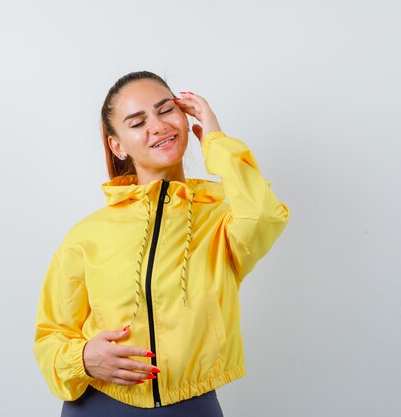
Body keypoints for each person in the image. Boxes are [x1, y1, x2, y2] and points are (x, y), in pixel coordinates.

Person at [33, 70, 290, 416]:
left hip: (191, 407)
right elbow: (51, 333)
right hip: (99, 406)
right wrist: (82, 359)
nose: (157, 126)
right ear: (117, 145)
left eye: (166, 110)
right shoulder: (86, 235)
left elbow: (265, 215)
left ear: (185, 115)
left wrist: (215, 139)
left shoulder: (221, 223)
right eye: (137, 122)